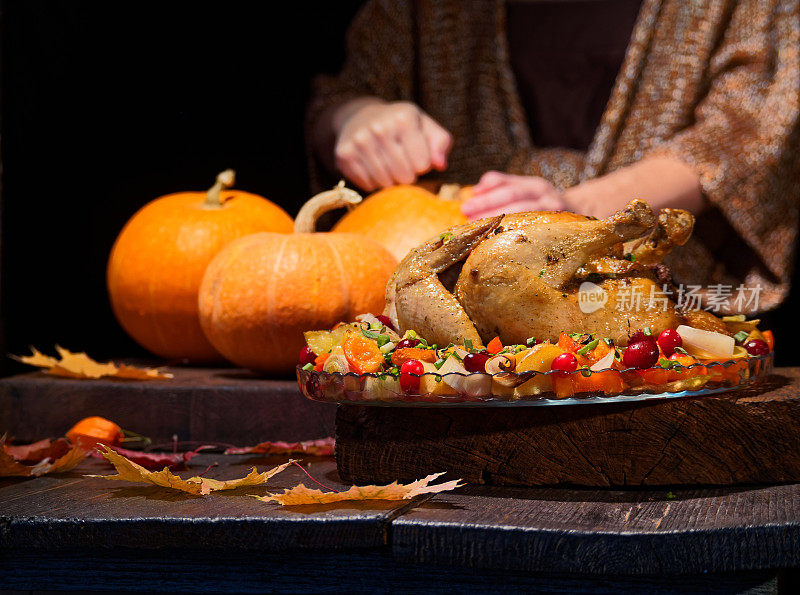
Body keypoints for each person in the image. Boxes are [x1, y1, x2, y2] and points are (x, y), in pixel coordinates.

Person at [307, 0, 800, 313]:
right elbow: (344, 93)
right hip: (440, 314)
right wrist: (356, 117)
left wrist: (577, 214)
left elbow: (746, 133)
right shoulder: (421, 10)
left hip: (666, 307)